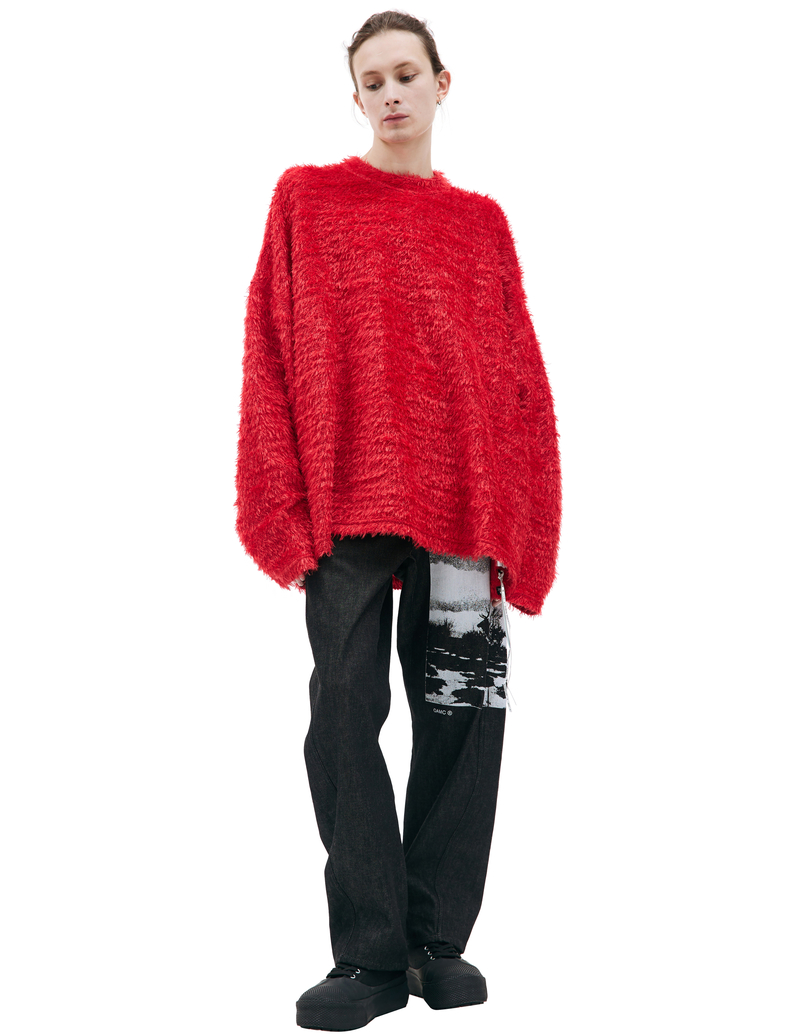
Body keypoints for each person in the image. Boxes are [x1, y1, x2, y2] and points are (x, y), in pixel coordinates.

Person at [235, 10, 562, 1031]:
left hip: (463, 503)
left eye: (405, 74)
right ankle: (369, 956)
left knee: (464, 711)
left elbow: (516, 373)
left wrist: (527, 524)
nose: (389, 93)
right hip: (346, 496)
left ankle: (433, 940)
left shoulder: (480, 223)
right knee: (343, 708)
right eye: (371, 80)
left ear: (440, 83)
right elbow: (268, 345)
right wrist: (279, 499)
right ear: (355, 97)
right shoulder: (307, 199)